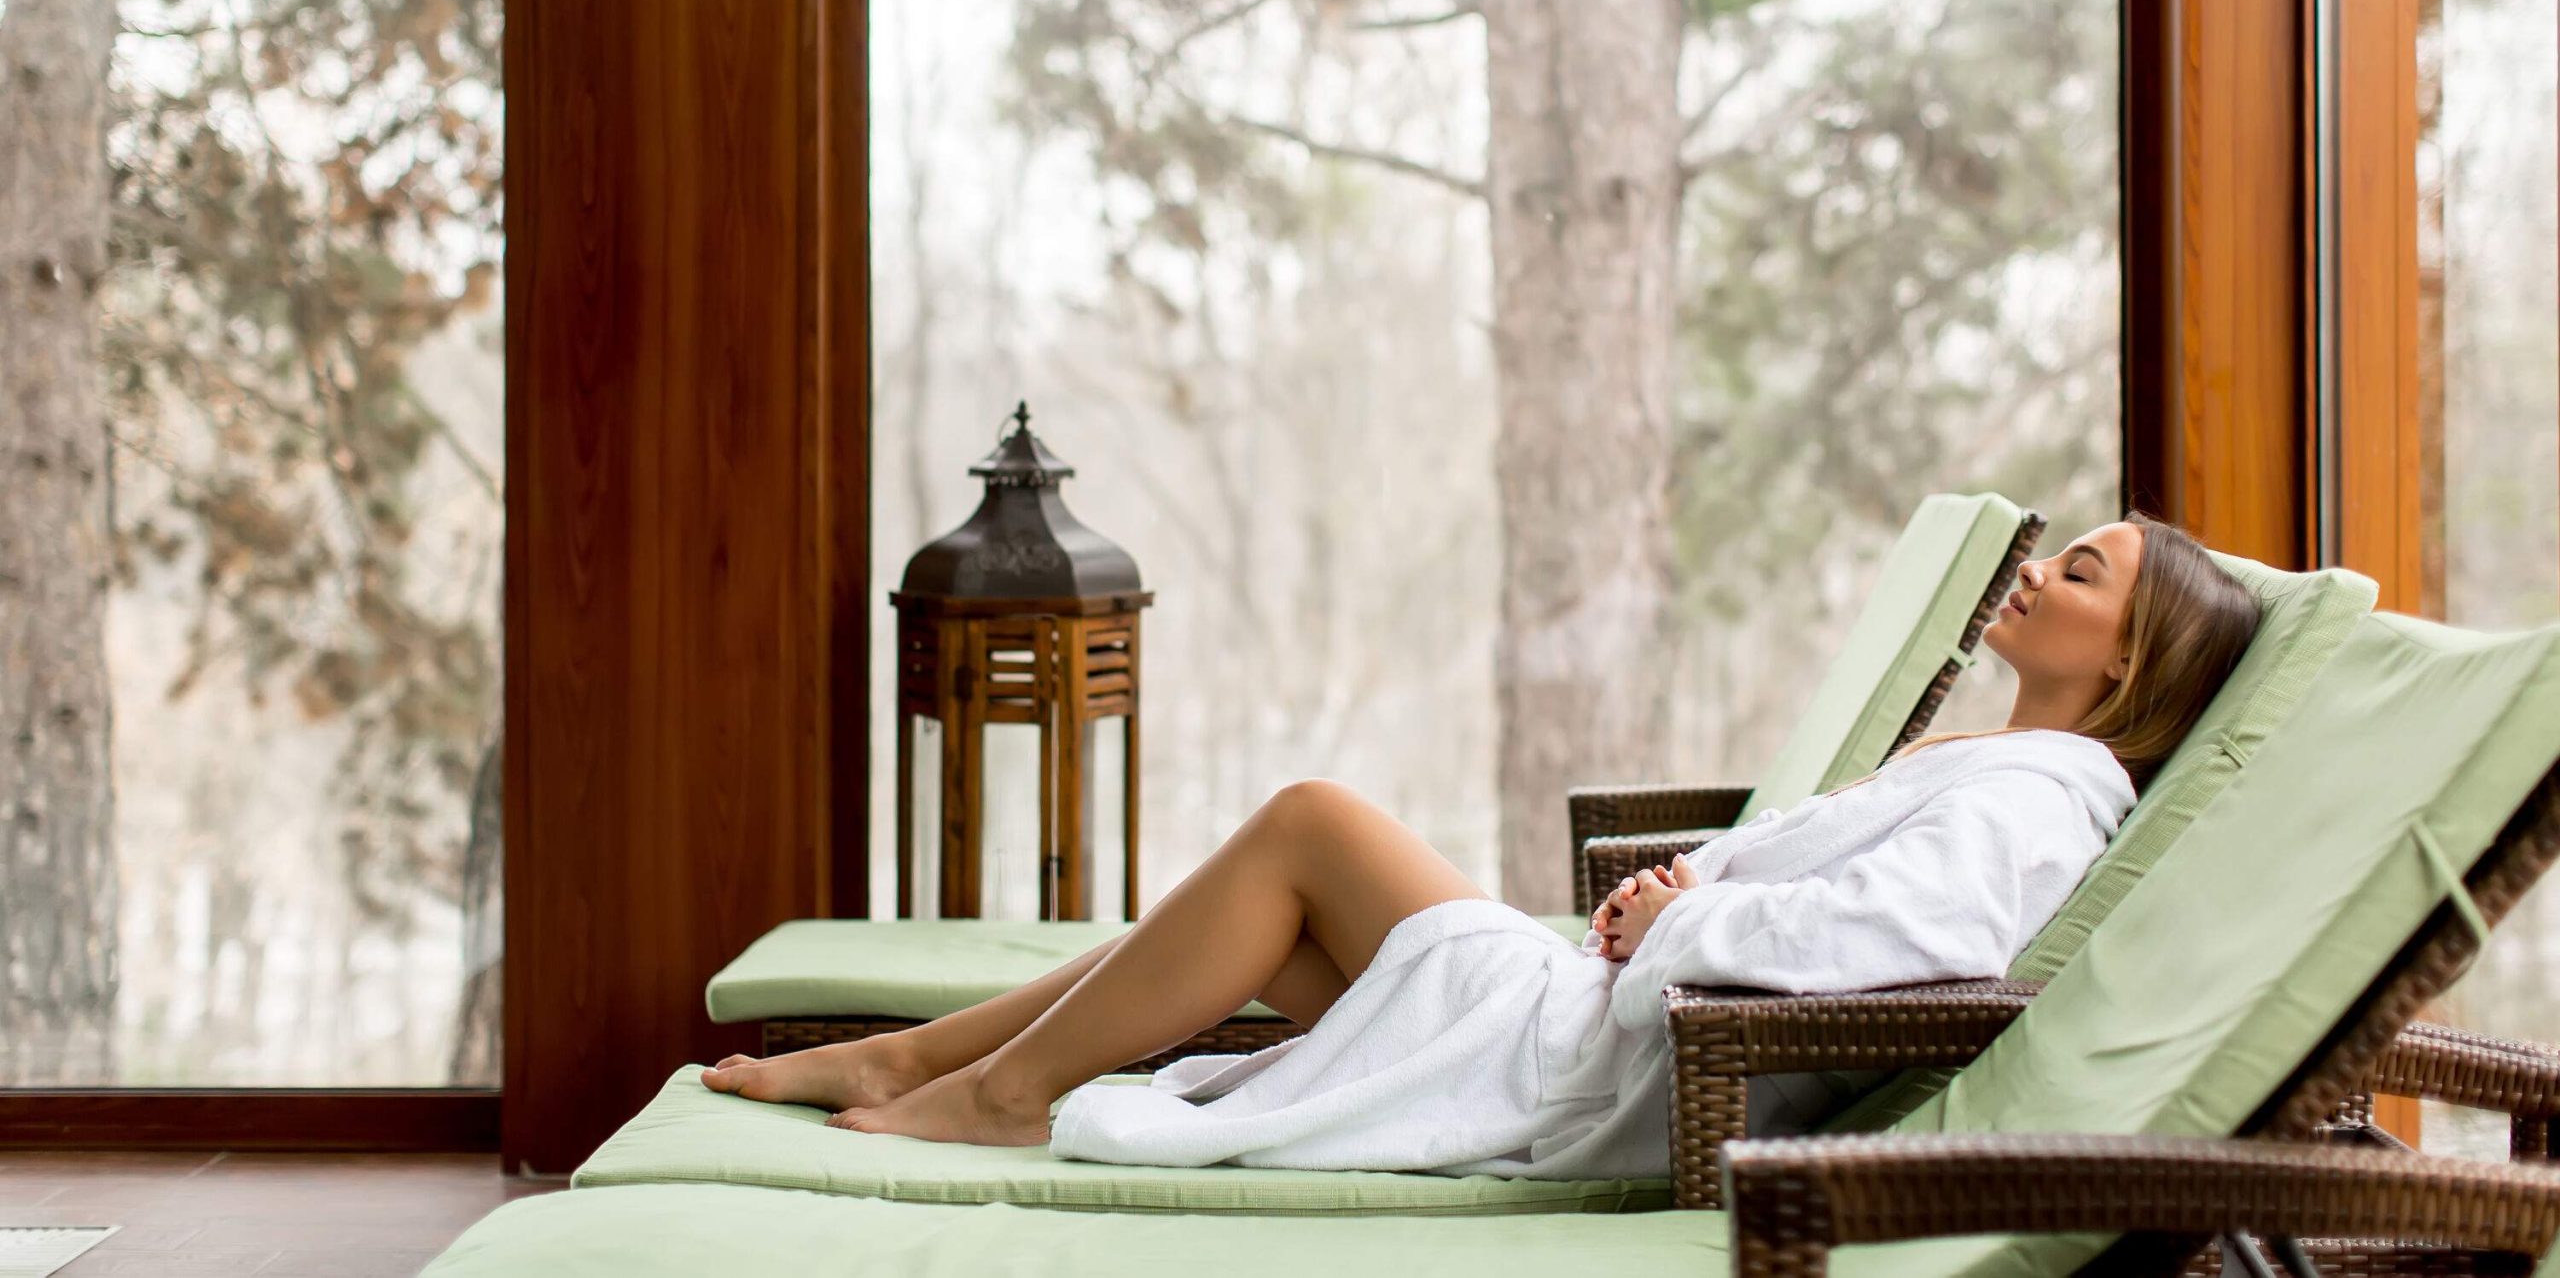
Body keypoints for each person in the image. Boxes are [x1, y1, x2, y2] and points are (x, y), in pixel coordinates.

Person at [701, 513, 2259, 1178]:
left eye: (2082, 571)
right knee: (1278, 915)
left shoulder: (2044, 795)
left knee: (1311, 823)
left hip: (1631, 1067)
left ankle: (992, 1091)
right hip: (1614, 1016)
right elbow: (1828, 894)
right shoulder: (2003, 757)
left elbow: (1906, 939)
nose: (2037, 572)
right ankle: (920, 1065)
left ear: (2128, 663)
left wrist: (1680, 925)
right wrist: (1691, 887)